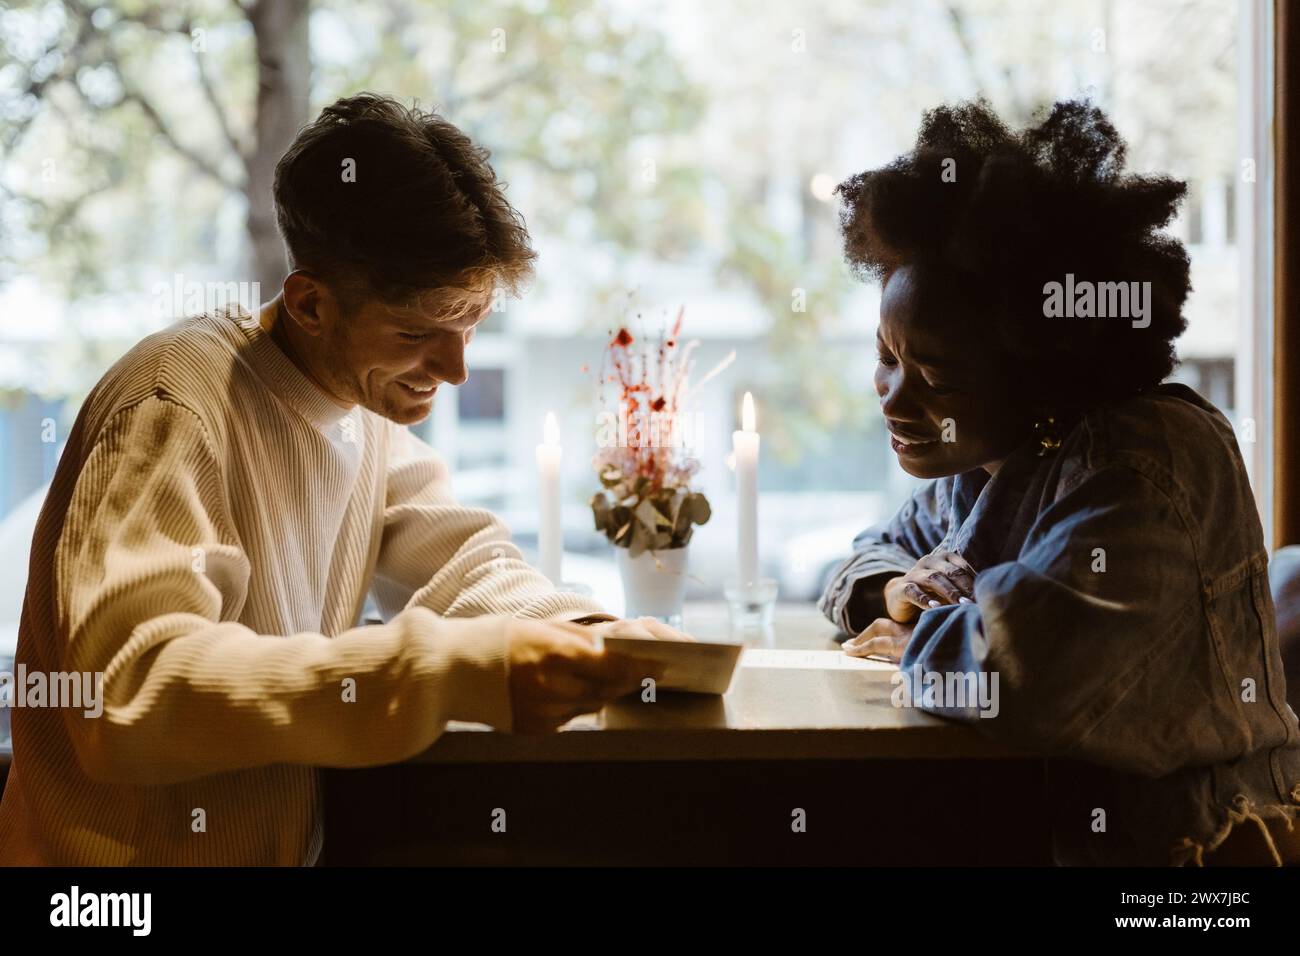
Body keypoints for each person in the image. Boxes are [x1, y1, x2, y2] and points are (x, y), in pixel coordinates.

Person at [0, 93, 676, 866]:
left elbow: (461, 563)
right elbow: (128, 697)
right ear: (311, 304)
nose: (455, 370)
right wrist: (448, 671)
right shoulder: (175, 404)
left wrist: (591, 635)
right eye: (418, 332)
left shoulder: (362, 408)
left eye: (470, 325)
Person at [818, 99, 1300, 866]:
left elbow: (1024, 679)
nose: (893, 395)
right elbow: (866, 557)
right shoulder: (993, 463)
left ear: (1037, 369)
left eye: (936, 374)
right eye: (887, 353)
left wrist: (917, 637)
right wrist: (894, 592)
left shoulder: (1144, 457)